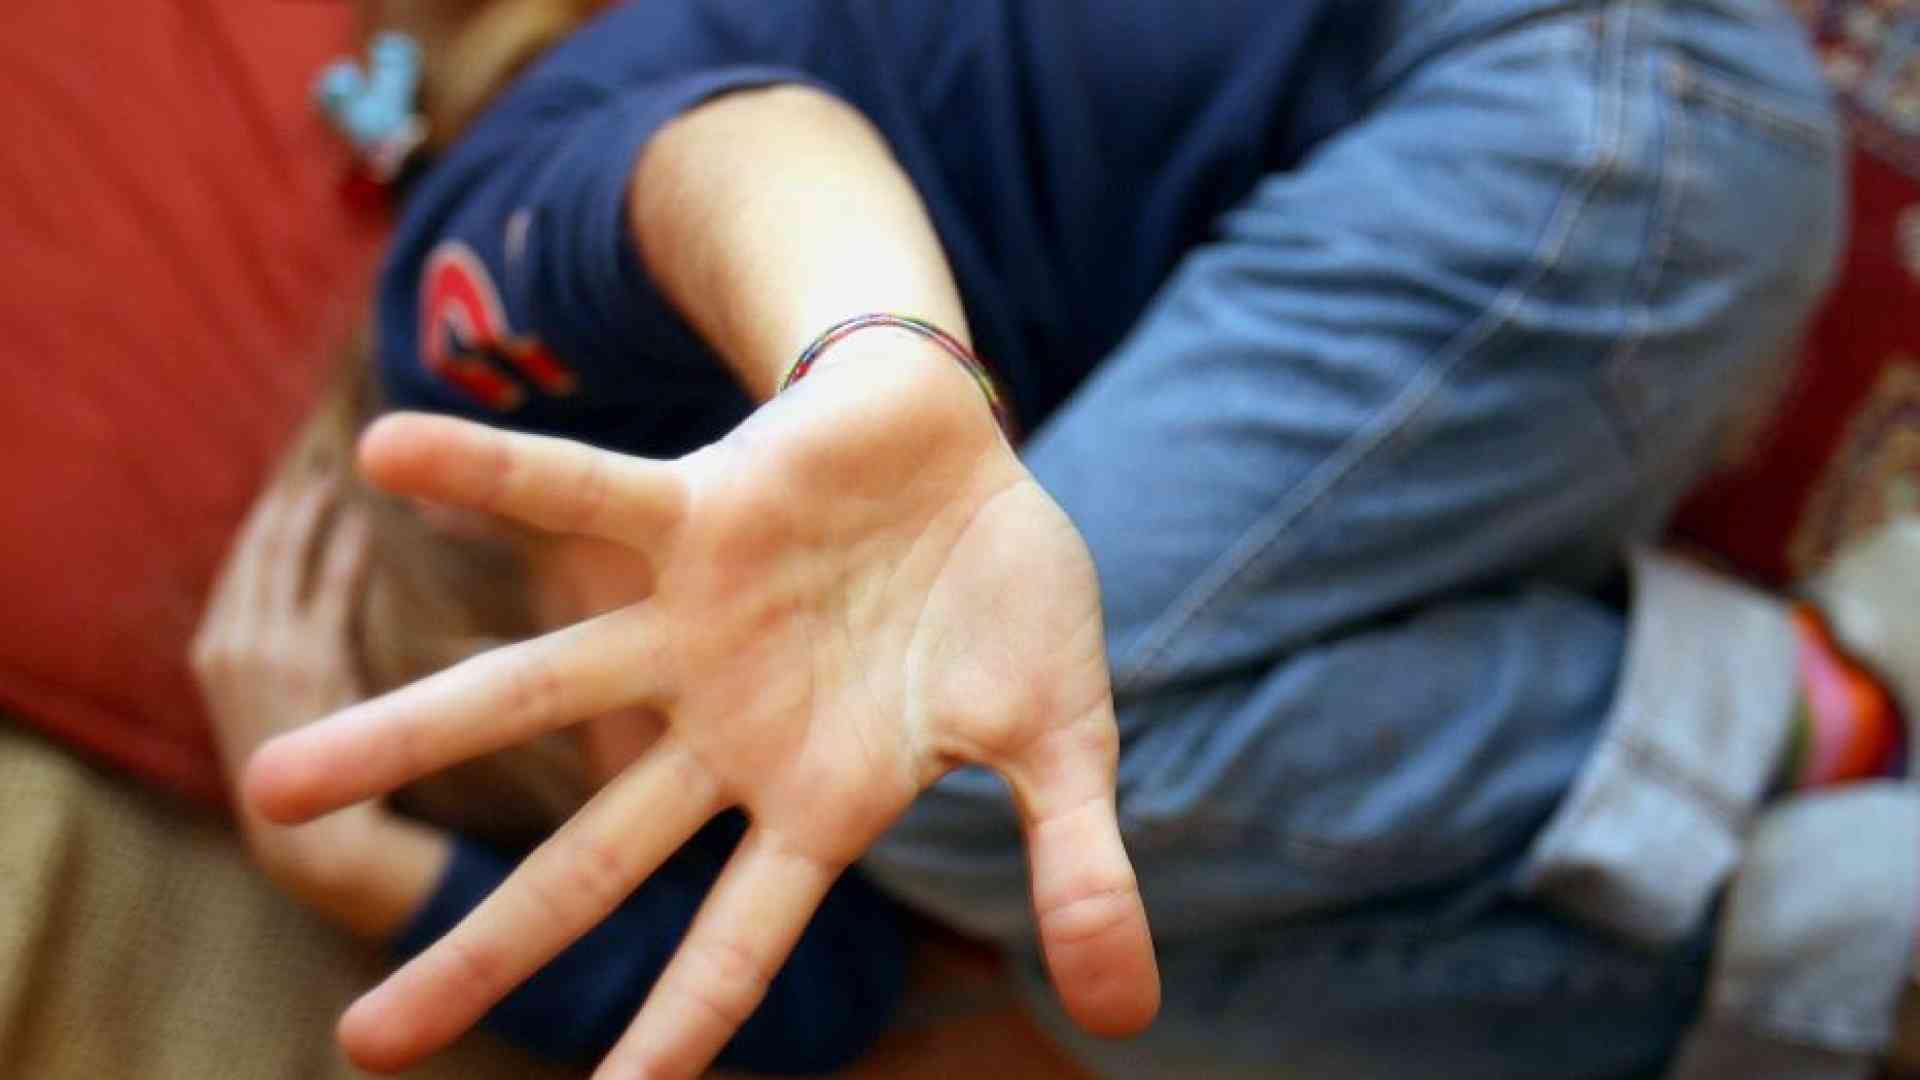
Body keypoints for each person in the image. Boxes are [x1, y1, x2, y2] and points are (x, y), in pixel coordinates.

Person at [232, 0, 1904, 1076]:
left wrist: (870, 348)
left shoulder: (469, 330)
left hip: (1589, 99)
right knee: (1100, 968)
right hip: (1559, 275)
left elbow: (728, 152)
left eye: (648, 707)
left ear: (501, 523)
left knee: (966, 786)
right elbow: (824, 997)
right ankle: (1835, 934)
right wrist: (373, 873)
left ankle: (1784, 706)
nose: (739, 738)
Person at [191, 368, 909, 1073]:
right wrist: (368, 869)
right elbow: (825, 988)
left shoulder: (700, 378)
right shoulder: (796, 791)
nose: (692, 708)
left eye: (586, 640)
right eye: (582, 766)